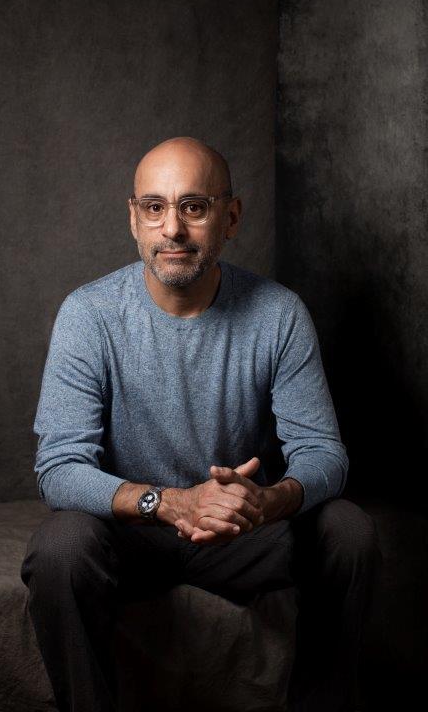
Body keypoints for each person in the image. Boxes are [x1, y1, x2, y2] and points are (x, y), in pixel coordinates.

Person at [20, 136, 382, 712]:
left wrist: (270, 501)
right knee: (60, 546)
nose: (173, 229)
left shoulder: (279, 314)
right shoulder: (88, 315)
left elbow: (323, 454)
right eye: (154, 207)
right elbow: (59, 469)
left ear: (230, 217)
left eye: (194, 207)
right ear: (134, 219)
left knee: (349, 531)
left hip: (240, 534)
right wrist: (169, 503)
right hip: (132, 534)